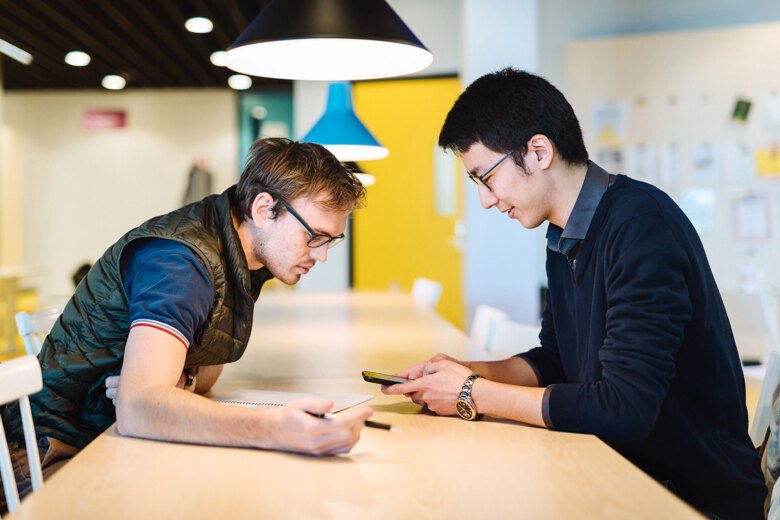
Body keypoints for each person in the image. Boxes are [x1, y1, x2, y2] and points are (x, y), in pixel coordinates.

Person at [383, 68, 765, 520]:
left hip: (688, 498)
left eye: (486, 177)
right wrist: (464, 372)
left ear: (539, 151)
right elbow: (558, 361)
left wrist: (472, 393)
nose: (486, 200)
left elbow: (623, 408)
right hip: (620, 474)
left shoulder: (641, 226)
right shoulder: (564, 235)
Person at [1, 137, 372, 510]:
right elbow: (139, 408)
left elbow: (205, 369)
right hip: (56, 454)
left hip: (111, 440)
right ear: (264, 209)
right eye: (315, 237)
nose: (321, 255)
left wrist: (182, 383)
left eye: (331, 241)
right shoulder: (181, 264)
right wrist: (276, 429)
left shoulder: (243, 255)